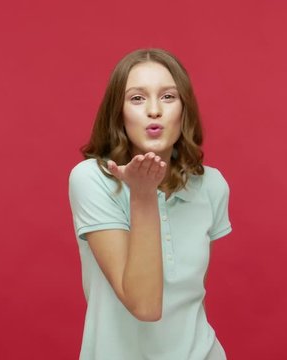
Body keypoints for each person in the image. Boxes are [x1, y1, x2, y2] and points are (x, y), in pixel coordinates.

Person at [68, 48, 232, 360]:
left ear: (184, 110)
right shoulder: (92, 179)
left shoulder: (211, 185)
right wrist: (143, 195)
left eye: (168, 97)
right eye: (137, 98)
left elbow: (189, 298)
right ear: (119, 112)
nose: (154, 110)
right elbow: (144, 305)